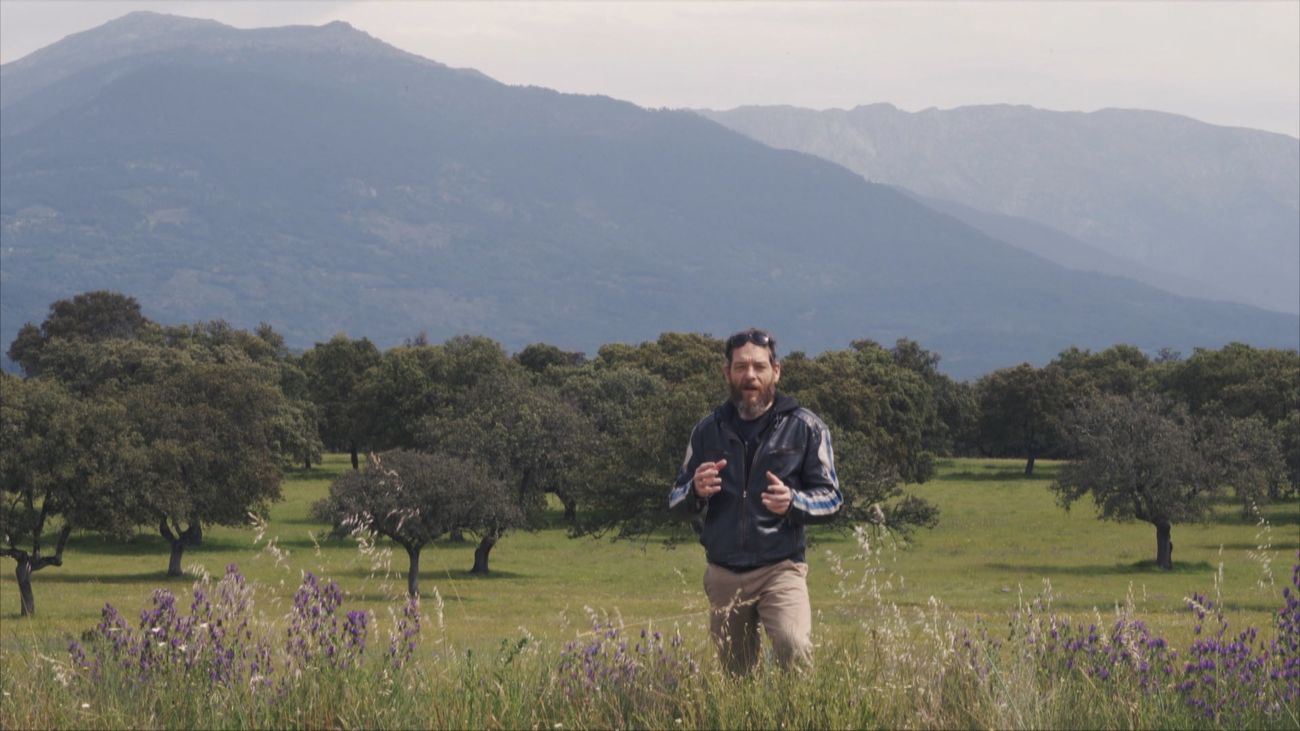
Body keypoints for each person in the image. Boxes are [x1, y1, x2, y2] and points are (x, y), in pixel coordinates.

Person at [668, 328, 842, 674]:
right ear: (727, 373)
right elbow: (674, 498)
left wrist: (794, 502)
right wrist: (695, 491)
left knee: (794, 647)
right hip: (724, 573)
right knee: (736, 675)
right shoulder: (706, 431)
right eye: (741, 367)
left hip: (781, 568)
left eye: (759, 367)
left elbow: (832, 498)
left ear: (776, 370)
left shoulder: (806, 427)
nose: (750, 376)